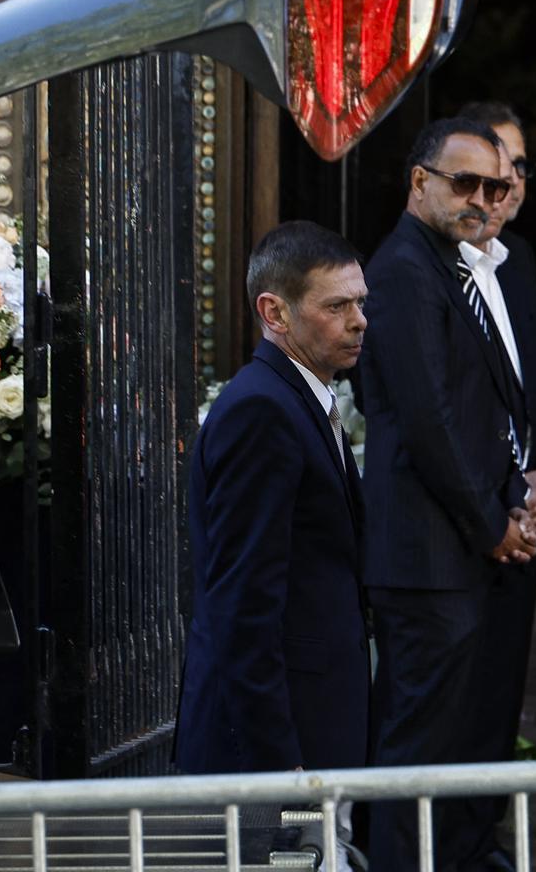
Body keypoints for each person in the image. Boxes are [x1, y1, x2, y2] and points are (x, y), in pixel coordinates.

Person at [360, 117, 536, 872]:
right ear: (420, 181)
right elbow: (431, 422)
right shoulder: (407, 270)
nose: (480, 197)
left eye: (494, 185)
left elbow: (498, 404)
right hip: (427, 554)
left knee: (452, 740)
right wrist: (492, 527)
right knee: (416, 748)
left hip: (457, 548)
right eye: (464, 182)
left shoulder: (453, 266)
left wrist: (527, 487)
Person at [175, 222, 369, 777]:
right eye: (336, 306)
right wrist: (282, 769)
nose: (358, 320)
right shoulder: (261, 412)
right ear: (275, 312)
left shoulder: (297, 398)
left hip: (315, 723)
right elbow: (244, 609)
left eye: (360, 301)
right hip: (275, 750)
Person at [453, 101, 536, 843]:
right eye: (494, 170)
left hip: (523, 508)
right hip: (468, 515)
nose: (509, 183)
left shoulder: (518, 259)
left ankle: (480, 833)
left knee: (501, 688)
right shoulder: (429, 266)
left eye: (519, 168)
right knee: (450, 702)